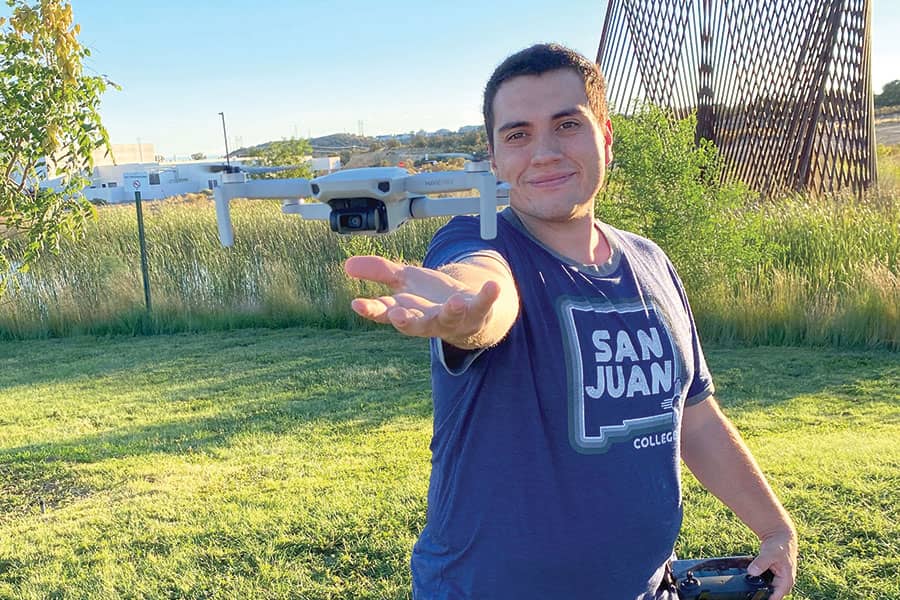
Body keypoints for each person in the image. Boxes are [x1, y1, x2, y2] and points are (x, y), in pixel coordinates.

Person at [344, 43, 797, 600]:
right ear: (494, 158)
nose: (544, 152)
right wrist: (470, 310)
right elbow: (487, 290)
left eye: (567, 125)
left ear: (605, 136)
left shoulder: (651, 262)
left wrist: (775, 528)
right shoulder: (479, 241)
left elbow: (695, 419)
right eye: (518, 134)